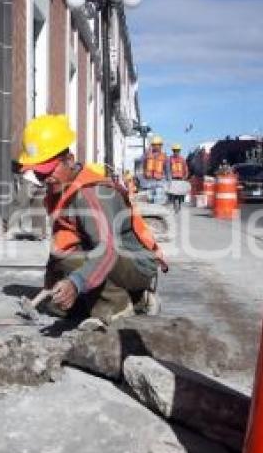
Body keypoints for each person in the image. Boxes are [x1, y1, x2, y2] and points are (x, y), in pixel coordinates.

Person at [19, 115, 167, 328]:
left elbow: (107, 250)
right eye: (39, 173)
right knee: (61, 307)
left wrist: (76, 283)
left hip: (137, 263)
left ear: (69, 161)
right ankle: (136, 299)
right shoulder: (62, 190)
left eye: (48, 171)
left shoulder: (91, 194)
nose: (44, 179)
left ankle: (119, 305)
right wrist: (51, 285)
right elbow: (63, 240)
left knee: (70, 261)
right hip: (114, 257)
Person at [143, 136, 167, 204]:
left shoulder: (164, 156)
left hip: (159, 181)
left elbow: (167, 169)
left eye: (158, 145)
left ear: (161, 146)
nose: (156, 147)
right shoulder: (147, 155)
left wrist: (168, 180)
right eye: (154, 145)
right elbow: (144, 166)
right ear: (152, 145)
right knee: (149, 199)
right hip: (149, 181)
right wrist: (144, 176)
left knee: (158, 199)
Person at [167, 143, 189, 212]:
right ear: (173, 151)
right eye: (175, 151)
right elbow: (168, 169)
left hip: (180, 178)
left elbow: (185, 169)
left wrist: (185, 176)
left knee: (180, 193)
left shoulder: (182, 159)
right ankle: (173, 204)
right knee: (172, 192)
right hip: (173, 178)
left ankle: (179, 203)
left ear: (179, 151)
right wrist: (168, 177)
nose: (176, 152)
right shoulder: (170, 159)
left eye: (177, 151)